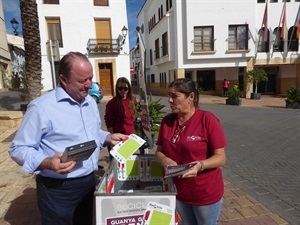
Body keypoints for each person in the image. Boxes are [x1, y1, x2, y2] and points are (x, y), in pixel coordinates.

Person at [8, 52, 127, 225]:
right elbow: (18, 148)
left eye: (90, 78)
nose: (89, 85)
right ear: (63, 80)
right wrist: (47, 162)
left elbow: (91, 134)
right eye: (82, 81)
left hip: (88, 183)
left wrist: (108, 137)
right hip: (57, 190)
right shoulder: (41, 108)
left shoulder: (90, 103)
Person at [155, 78, 227, 225]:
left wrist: (200, 165)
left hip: (204, 193)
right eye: (169, 95)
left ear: (191, 97)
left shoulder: (207, 120)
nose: (169, 100)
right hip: (179, 192)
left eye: (174, 96)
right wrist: (164, 160)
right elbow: (158, 152)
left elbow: (221, 157)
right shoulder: (167, 122)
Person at [104, 77, 137, 160]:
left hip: (130, 139)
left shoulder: (132, 100)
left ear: (129, 89)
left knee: (128, 164)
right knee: (117, 166)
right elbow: (109, 123)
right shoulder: (111, 104)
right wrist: (112, 140)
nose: (123, 91)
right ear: (117, 89)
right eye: (120, 88)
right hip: (118, 140)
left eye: (125, 88)